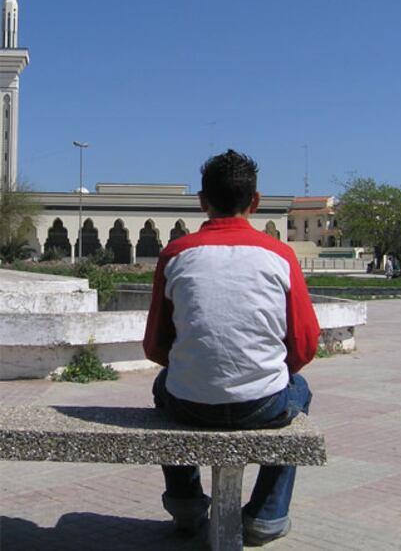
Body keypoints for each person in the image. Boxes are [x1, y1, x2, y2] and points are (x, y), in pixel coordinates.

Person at [143, 149, 320, 546]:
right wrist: (266, 370)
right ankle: (266, 516)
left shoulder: (176, 254)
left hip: (189, 405)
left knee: (162, 385)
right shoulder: (280, 256)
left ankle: (186, 505)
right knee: (300, 391)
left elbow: (155, 346)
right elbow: (305, 345)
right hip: (261, 405)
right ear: (255, 202)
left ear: (203, 201)